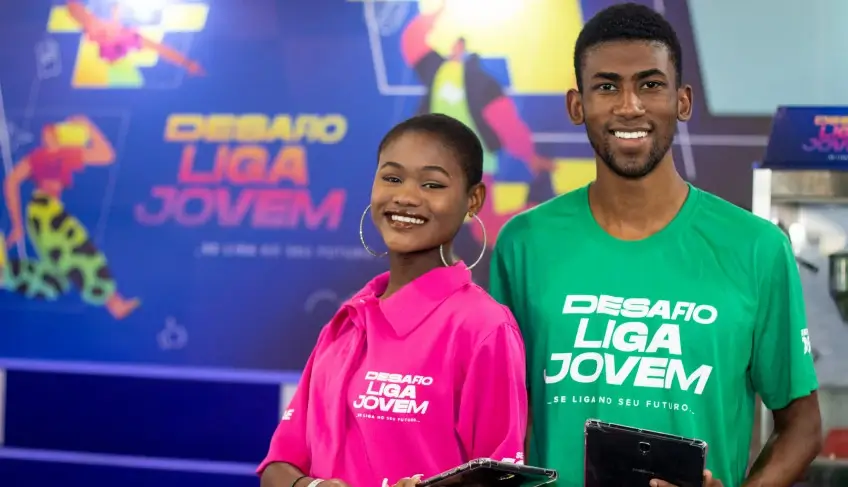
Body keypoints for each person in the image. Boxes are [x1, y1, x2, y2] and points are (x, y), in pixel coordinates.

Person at [489, 3, 822, 487]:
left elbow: (803, 427)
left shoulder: (758, 248)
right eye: (607, 87)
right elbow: (495, 419)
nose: (629, 106)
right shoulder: (524, 244)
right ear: (577, 105)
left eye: (650, 84)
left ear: (682, 101)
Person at [258, 113, 528, 487]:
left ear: (473, 199)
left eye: (432, 184)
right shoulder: (349, 319)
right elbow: (277, 467)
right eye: (392, 178)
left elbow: (500, 478)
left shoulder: (483, 327)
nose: (405, 197)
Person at [400, 0, 554, 248]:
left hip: (457, 165)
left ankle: (538, 215)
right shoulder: (469, 78)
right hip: (458, 166)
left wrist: (434, 15)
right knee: (477, 227)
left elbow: (412, 41)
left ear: (459, 45)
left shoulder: (459, 76)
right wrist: (530, 156)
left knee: (475, 226)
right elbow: (508, 125)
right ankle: (538, 214)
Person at [0, 115, 140, 319]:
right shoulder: (39, 158)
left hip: (48, 213)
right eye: (49, 133)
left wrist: (88, 126)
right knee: (80, 252)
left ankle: (5, 274)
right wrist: (17, 224)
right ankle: (113, 301)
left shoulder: (66, 155)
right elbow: (11, 182)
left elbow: (106, 155)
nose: (50, 136)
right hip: (45, 213)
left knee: (56, 281)